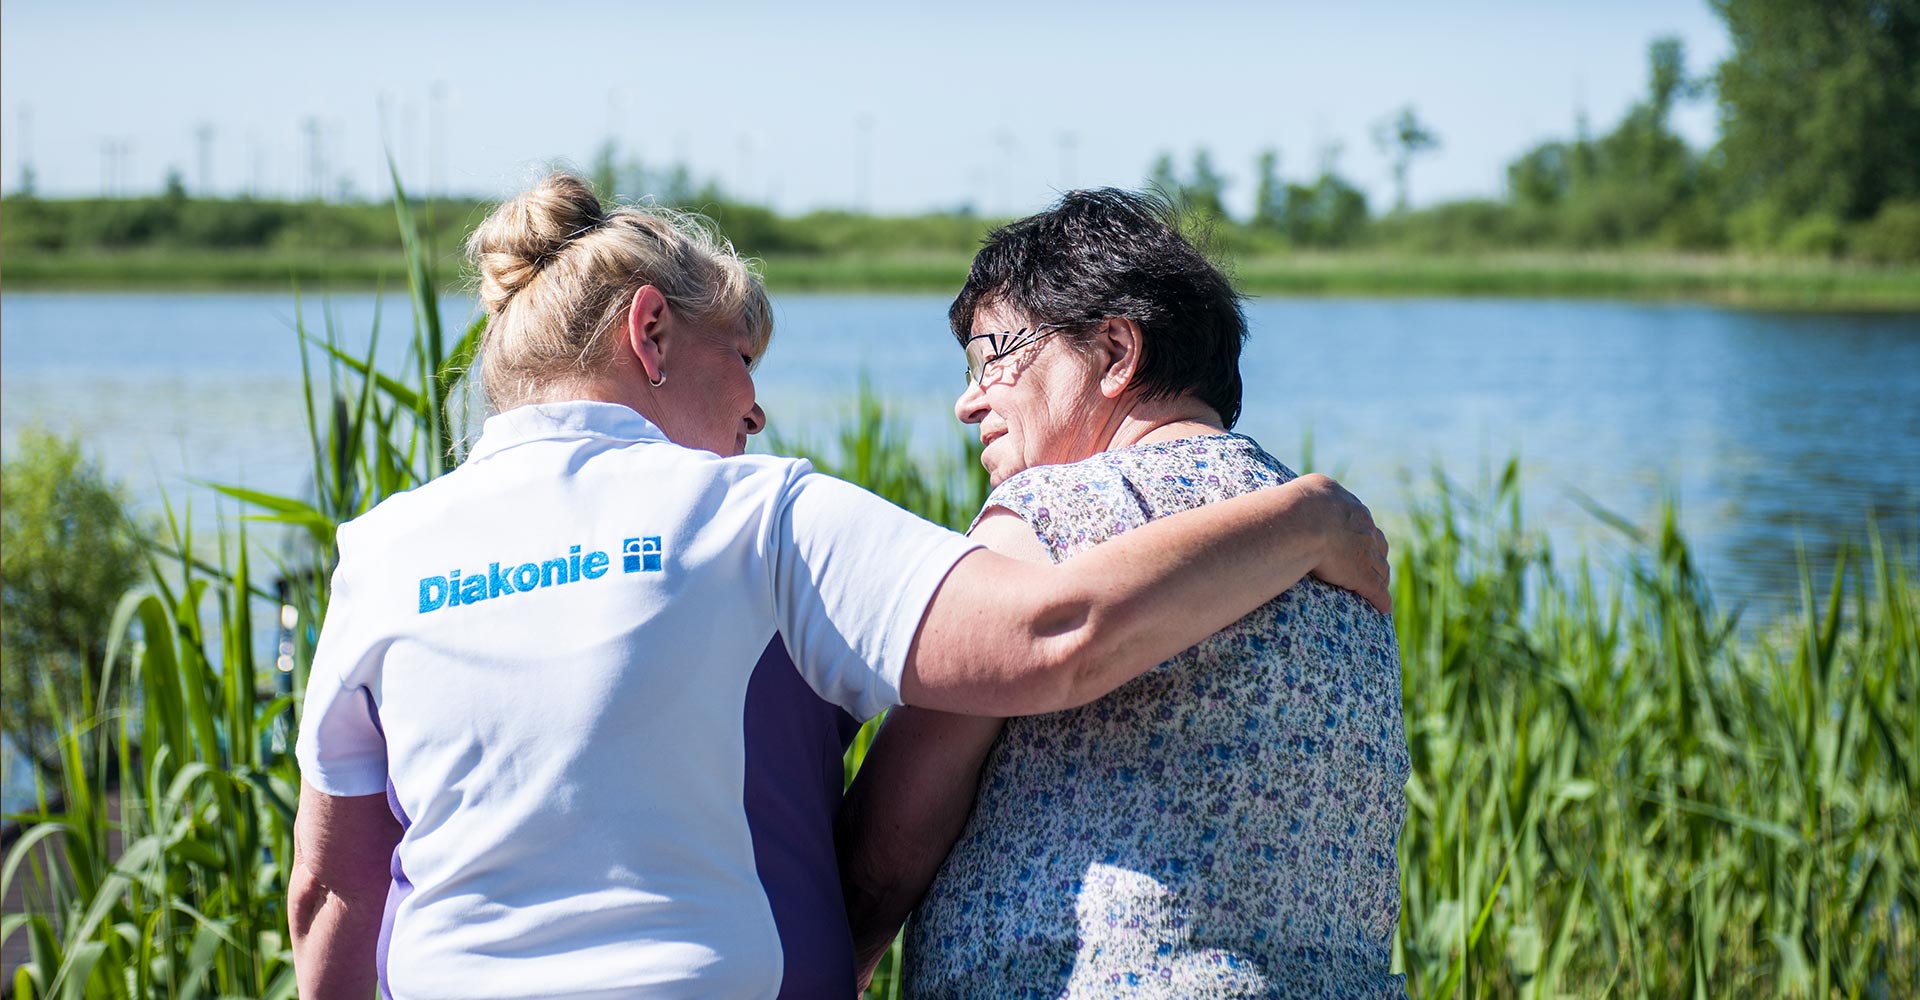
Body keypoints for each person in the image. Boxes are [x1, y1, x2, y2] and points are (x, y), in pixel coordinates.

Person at [288, 174, 1391, 1000]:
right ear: (650, 330)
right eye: (745, 357)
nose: (756, 409)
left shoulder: (379, 552)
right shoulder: (754, 513)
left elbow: (334, 890)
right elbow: (1054, 632)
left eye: (993, 358)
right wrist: (1311, 514)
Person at [839, 189, 1409, 998]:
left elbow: (889, 842)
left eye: (993, 356)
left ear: (1115, 351)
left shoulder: (1053, 516)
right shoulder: (1350, 560)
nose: (969, 400)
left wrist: (829, 963)